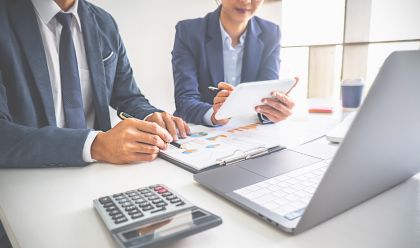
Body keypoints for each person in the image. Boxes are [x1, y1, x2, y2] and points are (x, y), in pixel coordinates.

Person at [0, 0, 190, 168]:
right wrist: (95, 144)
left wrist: (149, 117)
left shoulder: (104, 22)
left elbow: (126, 95)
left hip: (98, 171)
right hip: (28, 177)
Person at [172, 0, 295, 126]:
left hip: (249, 132)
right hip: (202, 131)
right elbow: (185, 99)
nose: (246, 1)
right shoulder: (189, 32)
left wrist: (273, 110)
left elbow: (266, 95)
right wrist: (214, 115)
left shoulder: (271, 33)